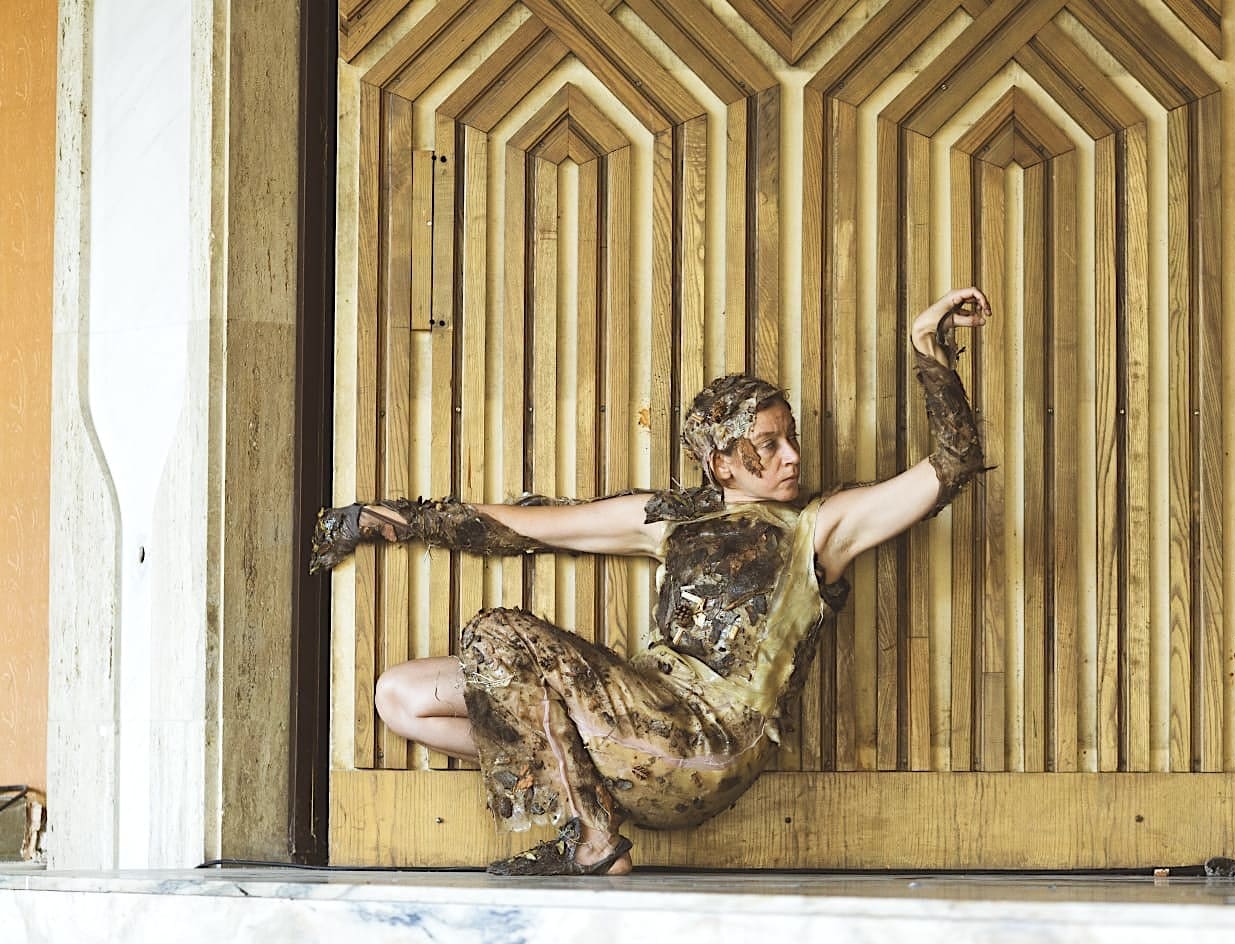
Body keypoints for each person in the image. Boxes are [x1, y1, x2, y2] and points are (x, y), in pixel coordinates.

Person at [310, 287, 991, 875]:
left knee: (499, 633)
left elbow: (952, 465)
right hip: (631, 735)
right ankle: (588, 806)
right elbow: (523, 526)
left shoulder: (822, 524)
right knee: (401, 696)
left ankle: (592, 842)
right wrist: (386, 519)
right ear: (721, 462)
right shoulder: (672, 520)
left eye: (792, 438)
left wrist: (926, 345)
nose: (792, 456)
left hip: (705, 742)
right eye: (769, 443)